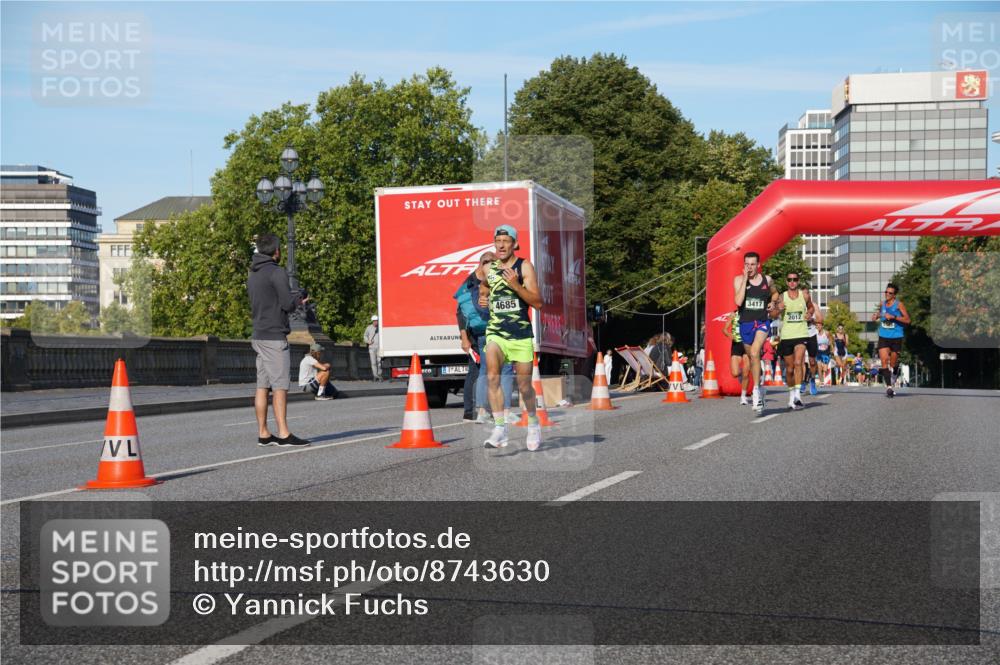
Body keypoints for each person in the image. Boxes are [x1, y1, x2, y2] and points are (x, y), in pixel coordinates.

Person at [479, 224, 544, 451]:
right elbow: (484, 286)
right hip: (496, 332)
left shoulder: (524, 266)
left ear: (515, 244)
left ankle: (534, 424)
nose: (501, 246)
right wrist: (483, 297)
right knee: (492, 376)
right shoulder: (489, 268)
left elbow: (537, 302)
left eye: (506, 241)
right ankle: (499, 427)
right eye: (498, 242)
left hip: (520, 335)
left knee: (525, 386)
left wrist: (516, 285)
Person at [247, 233, 309, 447]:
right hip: (274, 336)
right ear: (276, 251)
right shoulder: (276, 272)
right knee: (280, 385)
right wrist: (299, 298)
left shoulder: (253, 273)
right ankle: (284, 433)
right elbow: (287, 304)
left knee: (262, 386)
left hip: (258, 334)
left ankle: (263, 433)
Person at [734, 251, 777, 415]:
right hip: (745, 324)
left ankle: (757, 391)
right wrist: (745, 279)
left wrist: (772, 302)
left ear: (758, 265)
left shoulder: (767, 280)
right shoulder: (738, 280)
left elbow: (775, 293)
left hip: (762, 322)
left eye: (752, 264)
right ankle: (760, 384)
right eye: (747, 264)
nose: (749, 267)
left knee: (754, 351)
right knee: (752, 358)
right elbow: (738, 301)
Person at [456, 252, 493, 422]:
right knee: (483, 369)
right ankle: (478, 411)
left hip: (488, 330)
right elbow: (460, 313)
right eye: (490, 264)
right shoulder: (470, 283)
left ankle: (473, 412)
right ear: (482, 263)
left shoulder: (490, 278)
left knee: (478, 369)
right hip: (480, 332)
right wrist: (464, 337)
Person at [771, 271, 815, 410]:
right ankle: (791, 395)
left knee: (798, 362)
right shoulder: (782, 296)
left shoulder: (805, 295)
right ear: (786, 282)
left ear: (798, 281)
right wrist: (779, 308)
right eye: (789, 279)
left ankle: (798, 396)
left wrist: (809, 314)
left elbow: (811, 307)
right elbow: (772, 315)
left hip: (801, 334)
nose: (792, 282)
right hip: (786, 336)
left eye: (795, 279)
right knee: (789, 370)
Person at [872, 282, 910, 398]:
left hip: (896, 337)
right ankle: (889, 387)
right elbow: (881, 313)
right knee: (884, 360)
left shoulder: (899, 305)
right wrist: (877, 316)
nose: (887, 294)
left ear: (894, 295)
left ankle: (894, 373)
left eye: (890, 293)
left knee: (893, 363)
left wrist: (894, 317)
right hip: (883, 336)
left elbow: (908, 320)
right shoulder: (882, 304)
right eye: (886, 292)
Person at [723, 310, 752, 405]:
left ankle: (743, 396)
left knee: (746, 373)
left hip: (747, 344)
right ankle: (742, 376)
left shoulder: (750, 314)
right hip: (736, 345)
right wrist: (729, 334)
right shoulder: (733, 314)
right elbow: (724, 329)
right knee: (735, 373)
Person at [804, 303, 824, 396]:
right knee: (799, 361)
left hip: (811, 335)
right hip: (799, 334)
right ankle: (803, 381)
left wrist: (812, 319)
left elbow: (820, 320)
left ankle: (812, 380)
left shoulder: (814, 305)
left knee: (812, 362)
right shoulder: (796, 302)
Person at [363, 315, 380, 381]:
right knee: (373, 363)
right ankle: (375, 376)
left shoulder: (380, 328)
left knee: (379, 362)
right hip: (371, 348)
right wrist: (368, 341)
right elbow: (365, 336)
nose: (376, 322)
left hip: (379, 347)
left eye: (377, 321)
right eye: (375, 321)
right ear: (372, 321)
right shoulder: (369, 328)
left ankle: (379, 375)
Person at [815, 322, 831, 387]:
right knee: (819, 368)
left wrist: (831, 347)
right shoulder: (815, 334)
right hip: (818, 352)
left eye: (819, 325)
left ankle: (823, 379)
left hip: (826, 352)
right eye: (817, 325)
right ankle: (821, 382)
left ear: (822, 326)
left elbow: (831, 340)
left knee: (825, 369)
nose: (818, 327)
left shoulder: (826, 333)